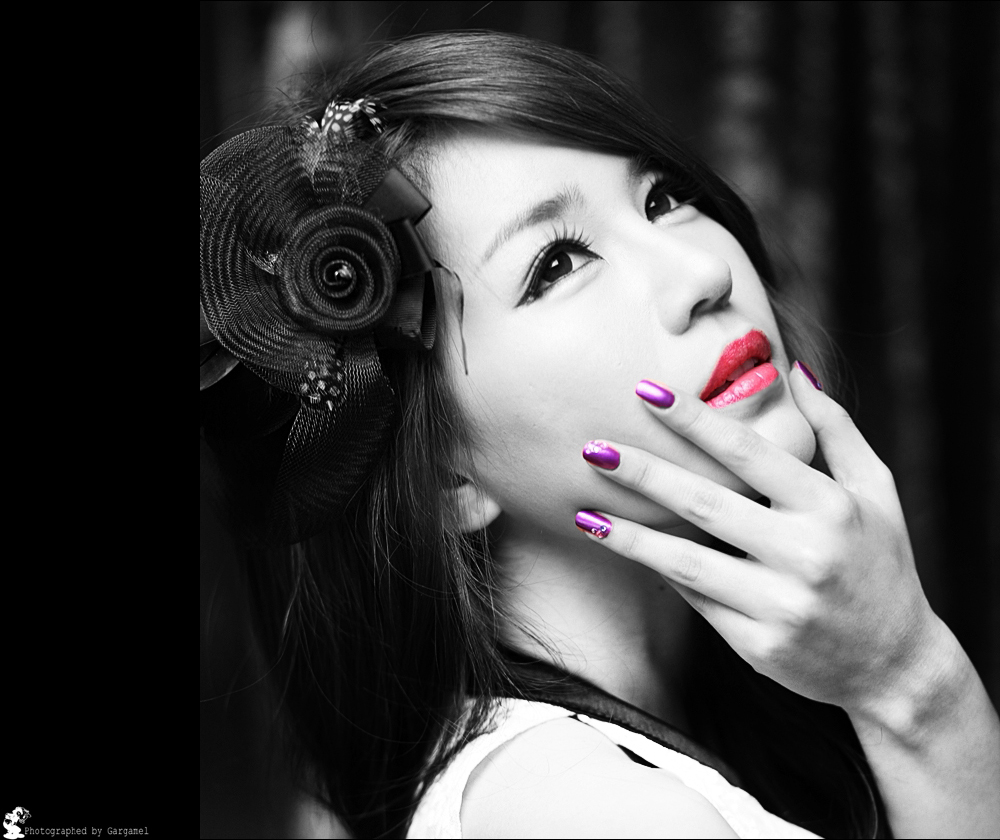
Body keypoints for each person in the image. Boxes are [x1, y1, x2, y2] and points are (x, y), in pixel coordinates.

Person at [199, 30, 1000, 839]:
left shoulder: (713, 734)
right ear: (445, 479)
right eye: (556, 263)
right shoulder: (592, 811)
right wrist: (915, 687)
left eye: (662, 198)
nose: (703, 274)